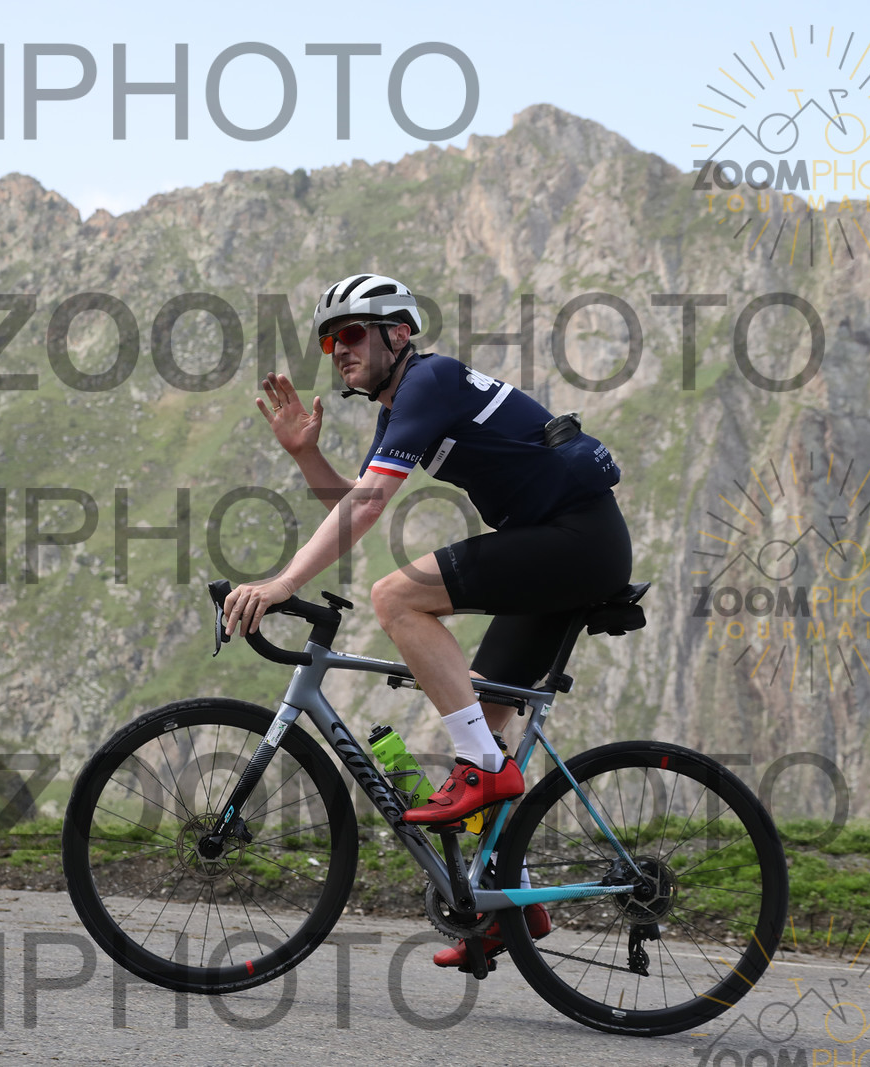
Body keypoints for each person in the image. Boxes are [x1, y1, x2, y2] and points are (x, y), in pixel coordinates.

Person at [222, 273, 633, 969]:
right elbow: (353, 499)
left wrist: (285, 581)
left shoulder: (429, 382)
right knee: (480, 715)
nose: (339, 350)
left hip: (576, 542)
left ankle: (484, 772)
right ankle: (506, 902)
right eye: (329, 341)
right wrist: (304, 453)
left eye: (352, 333)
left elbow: (367, 506)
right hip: (562, 549)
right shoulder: (405, 406)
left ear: (398, 333)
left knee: (396, 597)